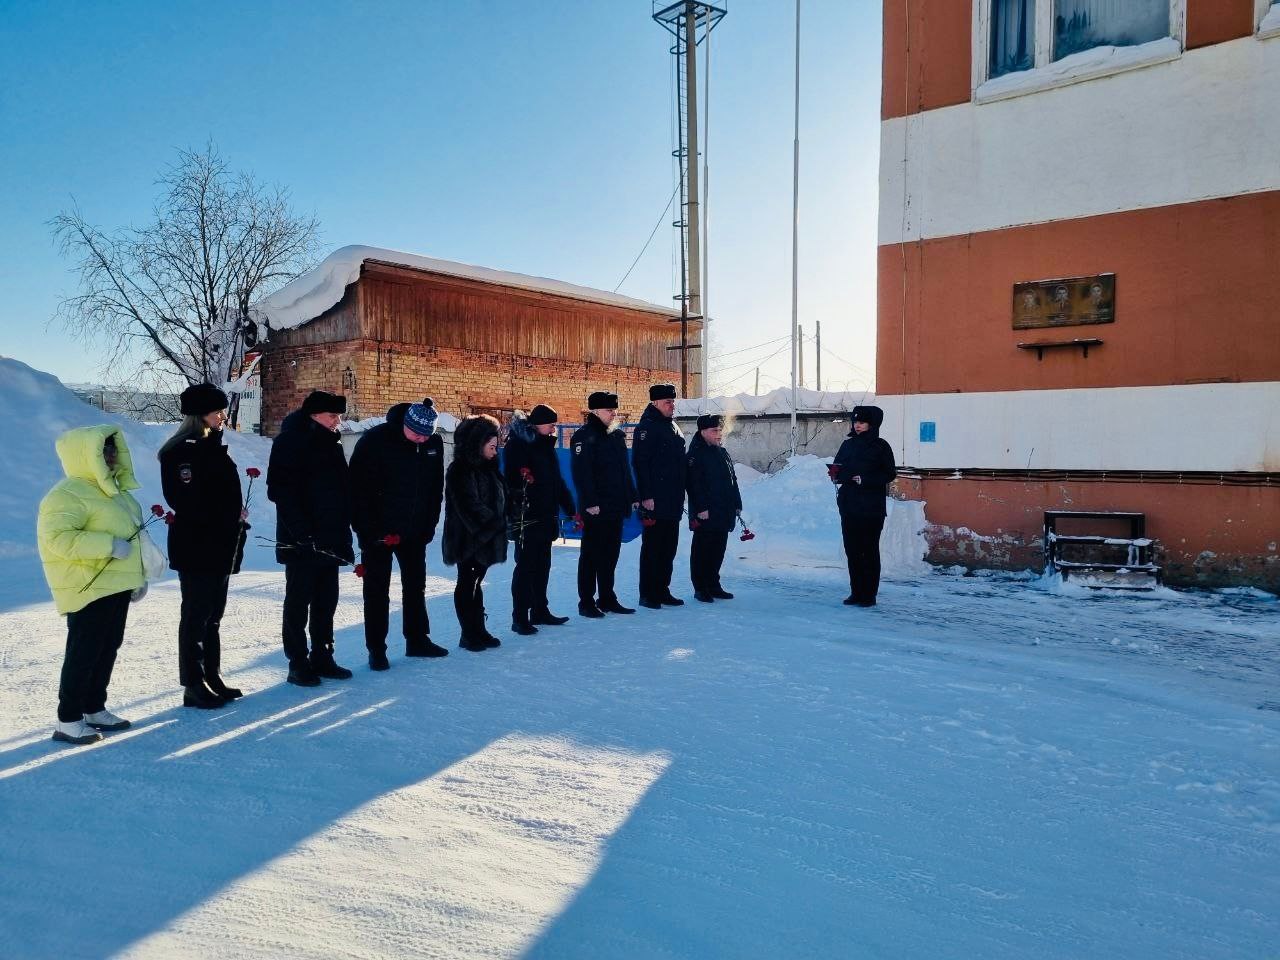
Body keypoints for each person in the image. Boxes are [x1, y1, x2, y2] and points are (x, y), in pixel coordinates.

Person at [37, 426, 148, 744]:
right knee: (84, 651)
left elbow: (134, 536)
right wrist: (107, 545)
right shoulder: (66, 494)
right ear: (86, 454)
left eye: (113, 450)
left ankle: (93, 707)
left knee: (107, 647)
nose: (111, 456)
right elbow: (58, 538)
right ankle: (68, 719)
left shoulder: (113, 491)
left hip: (115, 585)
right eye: (104, 450)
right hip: (88, 585)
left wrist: (137, 577)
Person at [159, 383, 249, 709]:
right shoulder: (180, 452)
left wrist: (235, 514)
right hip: (198, 545)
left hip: (220, 543)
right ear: (199, 416)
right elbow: (185, 500)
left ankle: (212, 675)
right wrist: (227, 514)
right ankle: (193, 684)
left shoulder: (212, 447)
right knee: (196, 616)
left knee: (213, 616)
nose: (223, 417)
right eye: (217, 411)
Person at [349, 398, 448, 670]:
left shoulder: (432, 443)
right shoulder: (374, 441)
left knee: (415, 587)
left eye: (426, 435)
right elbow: (357, 491)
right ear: (406, 423)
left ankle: (417, 640)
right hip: (378, 533)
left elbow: (434, 489)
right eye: (417, 434)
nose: (422, 439)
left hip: (415, 531)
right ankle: (377, 649)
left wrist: (429, 526)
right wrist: (366, 531)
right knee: (377, 591)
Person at [267, 390, 355, 685]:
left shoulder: (332, 443)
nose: (337, 421)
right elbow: (281, 492)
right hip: (301, 540)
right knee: (298, 602)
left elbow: (341, 491)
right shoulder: (289, 442)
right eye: (332, 416)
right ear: (314, 415)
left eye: (338, 416)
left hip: (330, 538)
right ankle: (297, 662)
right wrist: (301, 532)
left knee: (326, 601)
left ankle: (323, 656)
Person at [503, 404, 576, 635]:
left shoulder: (546, 446)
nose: (554, 428)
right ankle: (519, 617)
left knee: (543, 565)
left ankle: (539, 610)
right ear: (537, 424)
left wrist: (570, 508)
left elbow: (557, 481)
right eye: (551, 424)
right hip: (527, 517)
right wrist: (524, 488)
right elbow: (512, 480)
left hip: (546, 516)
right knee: (526, 567)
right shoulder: (519, 444)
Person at [570, 392, 639, 618]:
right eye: (609, 410)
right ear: (595, 411)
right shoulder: (584, 436)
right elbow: (582, 473)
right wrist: (590, 502)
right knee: (591, 555)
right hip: (596, 507)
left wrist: (632, 496)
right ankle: (586, 601)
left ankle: (607, 598)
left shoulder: (616, 435)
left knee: (610, 554)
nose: (614, 414)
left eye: (615, 410)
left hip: (615, 504)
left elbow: (624, 470)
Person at [442, 414, 507, 652]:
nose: (495, 450)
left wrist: (514, 502)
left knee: (476, 583)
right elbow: (468, 505)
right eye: (492, 446)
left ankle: (479, 629)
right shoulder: (460, 469)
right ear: (477, 444)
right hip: (466, 539)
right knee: (467, 582)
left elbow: (500, 495)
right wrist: (494, 523)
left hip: (485, 538)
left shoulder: (490, 467)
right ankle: (468, 634)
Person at [831, 405, 898, 607]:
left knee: (868, 551)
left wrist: (865, 479)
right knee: (852, 550)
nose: (857, 425)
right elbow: (838, 467)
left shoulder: (881, 446)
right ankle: (856, 592)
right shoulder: (848, 445)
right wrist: (835, 474)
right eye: (855, 422)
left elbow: (889, 473)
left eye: (862, 422)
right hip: (849, 506)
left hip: (871, 508)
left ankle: (869, 595)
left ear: (872, 424)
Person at [632, 383, 688, 609]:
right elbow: (640, 463)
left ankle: (662, 589)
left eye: (673, 401)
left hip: (672, 498)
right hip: (655, 499)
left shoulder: (672, 426)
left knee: (668, 548)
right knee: (653, 548)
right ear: (655, 403)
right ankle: (648, 593)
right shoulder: (647, 427)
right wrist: (646, 495)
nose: (672, 405)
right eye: (667, 402)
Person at [685, 414, 743, 603]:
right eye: (714, 430)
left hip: (723, 510)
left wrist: (737, 503)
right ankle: (700, 588)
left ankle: (713, 585)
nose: (719, 434)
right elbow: (694, 484)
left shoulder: (722, 452)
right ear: (703, 432)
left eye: (720, 430)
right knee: (703, 550)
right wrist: (701, 508)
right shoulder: (695, 454)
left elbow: (732, 480)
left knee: (718, 549)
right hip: (706, 512)